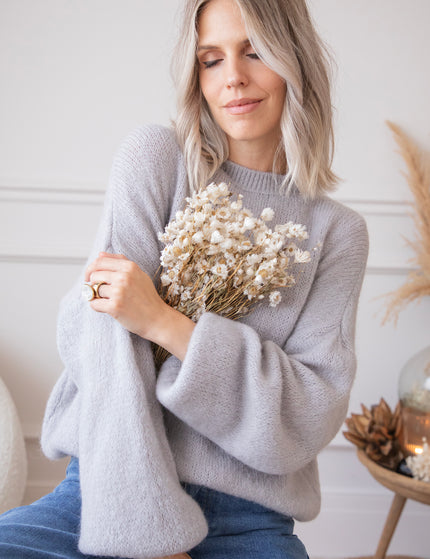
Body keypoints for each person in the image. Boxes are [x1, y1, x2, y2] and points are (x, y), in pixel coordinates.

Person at [0, 0, 369, 558]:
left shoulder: (337, 233)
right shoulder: (156, 159)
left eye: (255, 52)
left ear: (294, 60)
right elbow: (98, 320)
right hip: (105, 494)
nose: (233, 77)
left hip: (248, 523)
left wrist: (163, 324)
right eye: (211, 60)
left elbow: (304, 417)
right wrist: (147, 530)